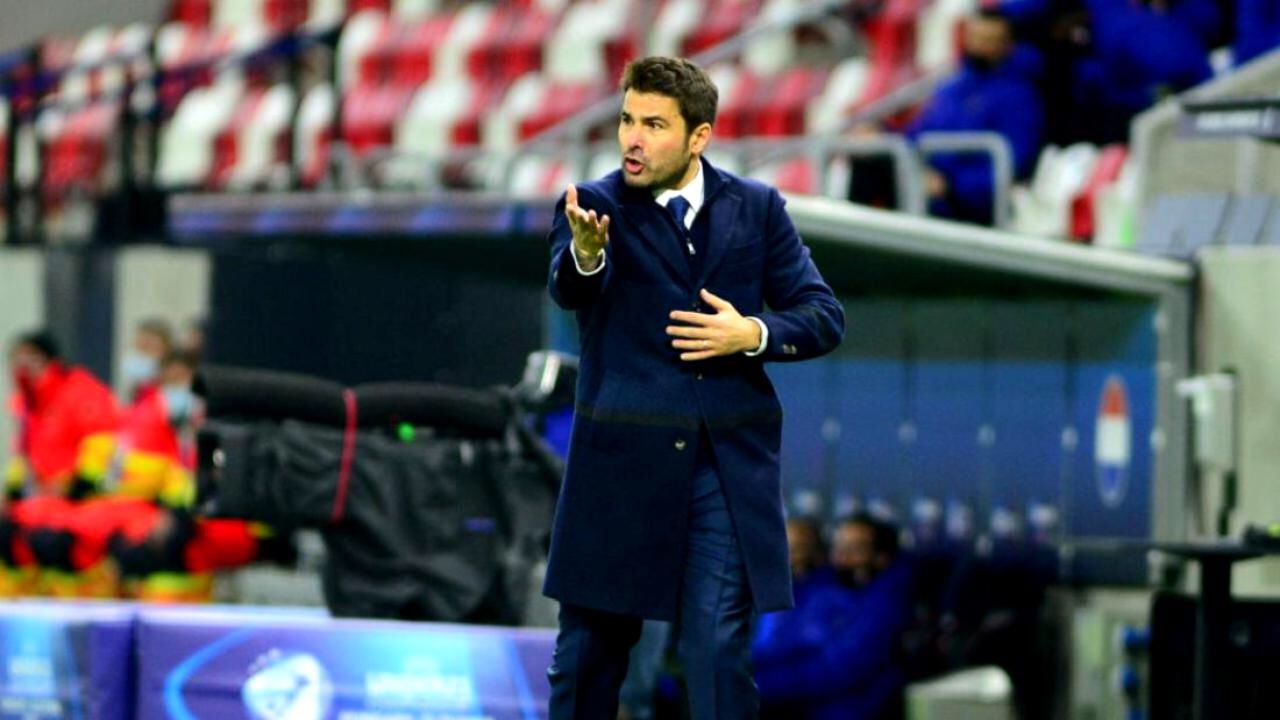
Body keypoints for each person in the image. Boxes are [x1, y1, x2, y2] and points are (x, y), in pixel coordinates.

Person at [542, 56, 845, 720]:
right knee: (588, 659)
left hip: (722, 467)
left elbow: (823, 316)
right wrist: (588, 254)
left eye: (654, 125)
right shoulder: (592, 206)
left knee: (717, 651)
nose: (633, 139)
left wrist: (752, 333)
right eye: (627, 120)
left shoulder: (757, 209)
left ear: (699, 136)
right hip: (620, 470)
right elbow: (571, 283)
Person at [753, 514, 914, 720]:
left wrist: (754, 684)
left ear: (881, 557)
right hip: (807, 703)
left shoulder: (886, 604)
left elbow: (835, 671)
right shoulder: (829, 590)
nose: (842, 558)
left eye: (855, 549)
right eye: (838, 548)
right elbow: (787, 649)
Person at [905, 8, 1045, 225]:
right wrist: (882, 133)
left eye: (990, 40)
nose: (981, 46)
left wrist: (952, 185)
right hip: (927, 192)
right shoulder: (950, 88)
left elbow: (1013, 162)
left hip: (972, 208)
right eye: (976, 38)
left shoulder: (1019, 98)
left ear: (1008, 45)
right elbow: (916, 135)